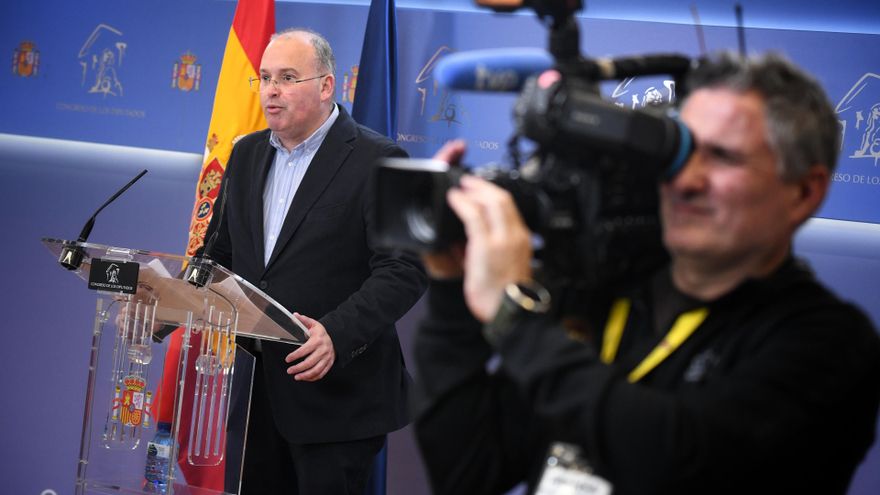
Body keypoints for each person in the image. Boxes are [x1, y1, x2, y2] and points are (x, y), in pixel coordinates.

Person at [412, 51, 880, 494]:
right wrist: (453, 291)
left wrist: (515, 316)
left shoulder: (829, 342)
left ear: (803, 191)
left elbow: (678, 461)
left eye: (723, 157)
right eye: (679, 153)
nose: (687, 180)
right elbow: (468, 470)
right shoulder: (602, 297)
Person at [199, 28, 427, 494]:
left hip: (337, 397)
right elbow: (218, 255)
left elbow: (404, 268)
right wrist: (158, 301)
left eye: (287, 77)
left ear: (327, 86)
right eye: (264, 78)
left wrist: (336, 335)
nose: (271, 90)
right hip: (257, 393)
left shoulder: (380, 160)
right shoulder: (244, 155)